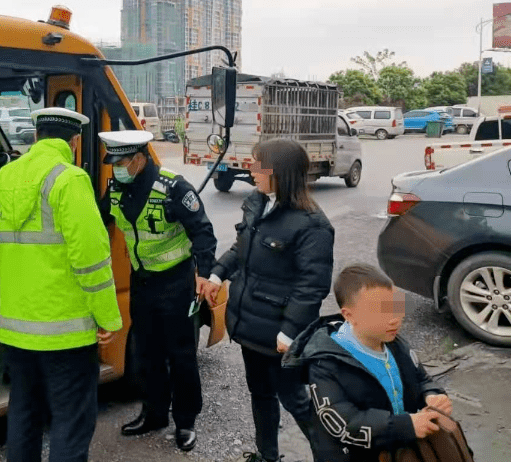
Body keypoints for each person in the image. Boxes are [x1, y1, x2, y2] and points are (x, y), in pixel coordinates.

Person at [0, 107, 122, 462]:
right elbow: (92, 260)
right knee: (71, 420)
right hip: (65, 332)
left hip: (17, 330)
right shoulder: (69, 179)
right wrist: (107, 319)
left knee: (23, 414)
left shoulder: (5, 176)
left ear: (35, 137)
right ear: (75, 143)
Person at [202, 138, 334, 462]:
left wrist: (289, 332)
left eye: (258, 165)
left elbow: (312, 287)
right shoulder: (257, 202)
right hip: (249, 325)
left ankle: (333, 455)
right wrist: (217, 274)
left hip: (280, 335)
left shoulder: (313, 225)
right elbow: (240, 248)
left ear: (279, 173)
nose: (252, 170)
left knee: (295, 399)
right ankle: (266, 455)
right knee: (260, 393)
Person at [98, 130, 217, 452]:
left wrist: (204, 276)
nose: (116, 169)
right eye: (113, 164)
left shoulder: (173, 188)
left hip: (176, 283)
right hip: (143, 282)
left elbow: (204, 233)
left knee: (181, 357)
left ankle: (186, 421)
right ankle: (153, 413)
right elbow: (98, 220)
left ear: (139, 159)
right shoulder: (117, 189)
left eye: (121, 163)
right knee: (146, 353)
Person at [283, 264, 452, 462]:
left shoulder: (394, 344)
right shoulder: (325, 363)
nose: (394, 320)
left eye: (395, 307)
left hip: (401, 451)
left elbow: (421, 378)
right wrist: (406, 426)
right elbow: (344, 422)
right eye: (381, 312)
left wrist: (432, 395)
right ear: (349, 315)